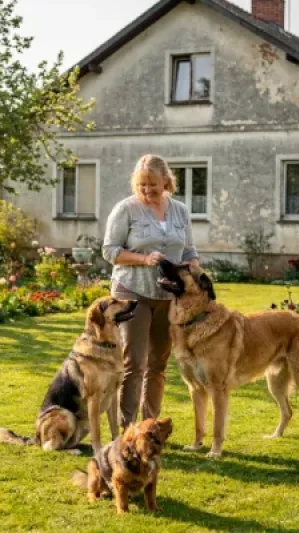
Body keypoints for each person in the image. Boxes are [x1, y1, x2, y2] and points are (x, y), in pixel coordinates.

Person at [102, 154, 200, 429]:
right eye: (141, 184)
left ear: (166, 181)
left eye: (152, 184)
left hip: (168, 297)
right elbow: (110, 251)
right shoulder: (126, 209)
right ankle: (126, 428)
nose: (146, 190)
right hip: (132, 293)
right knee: (134, 362)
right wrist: (144, 259)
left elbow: (190, 250)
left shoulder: (180, 210)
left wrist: (192, 269)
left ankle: (149, 425)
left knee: (158, 363)